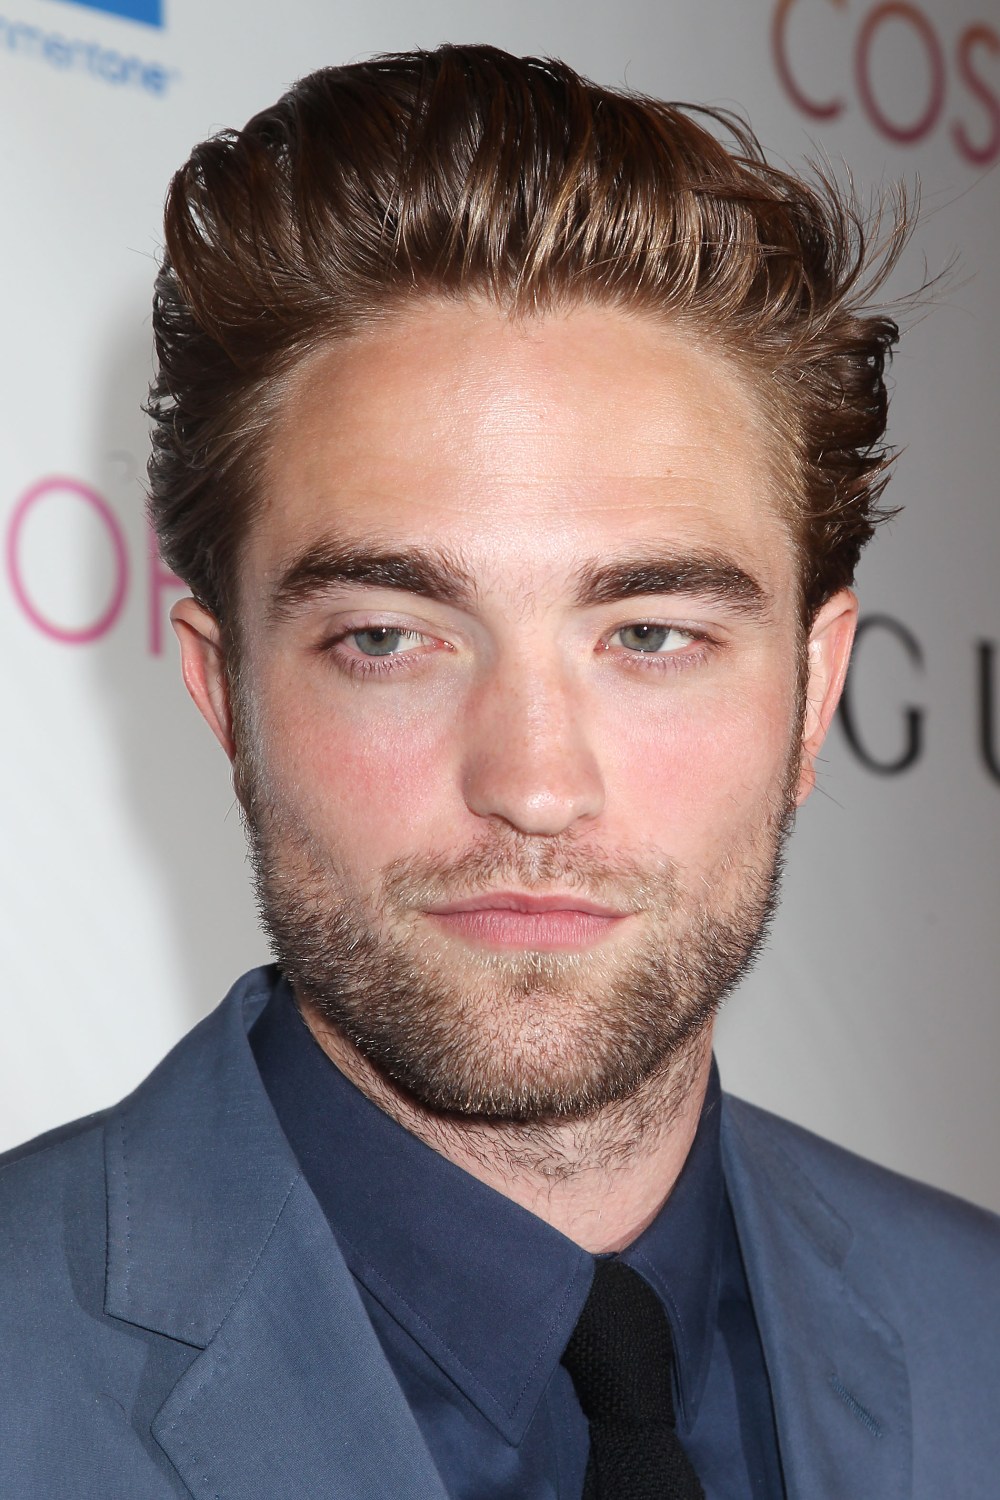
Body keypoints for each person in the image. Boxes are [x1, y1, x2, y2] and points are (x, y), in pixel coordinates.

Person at [2, 42, 997, 1500]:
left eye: (650, 634)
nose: (533, 785)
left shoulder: (978, 1331)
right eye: (390, 638)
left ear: (813, 695)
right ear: (226, 694)